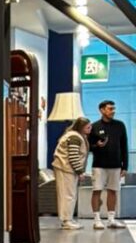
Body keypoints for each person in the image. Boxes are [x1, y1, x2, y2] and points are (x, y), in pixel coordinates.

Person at [87, 99, 128, 230]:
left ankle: (111, 220)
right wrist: (96, 145)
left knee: (113, 191)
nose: (113, 111)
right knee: (96, 191)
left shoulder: (120, 125)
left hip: (116, 165)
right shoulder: (94, 126)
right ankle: (97, 220)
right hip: (99, 165)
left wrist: (125, 166)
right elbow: (88, 147)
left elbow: (124, 146)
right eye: (110, 109)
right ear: (102, 110)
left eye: (113, 109)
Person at [51, 116, 91, 231]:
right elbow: (73, 156)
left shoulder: (77, 136)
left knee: (70, 194)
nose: (90, 129)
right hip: (65, 168)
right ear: (81, 127)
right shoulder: (74, 137)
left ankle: (68, 218)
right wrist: (80, 171)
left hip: (67, 169)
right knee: (67, 195)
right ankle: (66, 221)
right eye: (88, 127)